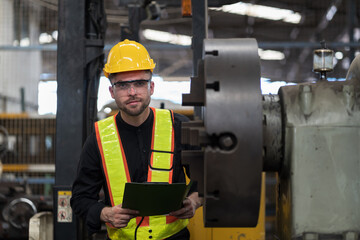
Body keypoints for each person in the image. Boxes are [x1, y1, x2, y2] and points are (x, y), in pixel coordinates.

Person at [70, 39, 203, 240]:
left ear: (151, 87)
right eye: (123, 85)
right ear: (111, 91)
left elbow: (209, 180)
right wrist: (106, 214)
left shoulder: (179, 127)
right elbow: (80, 199)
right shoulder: (98, 139)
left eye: (139, 83)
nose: (132, 92)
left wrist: (193, 201)